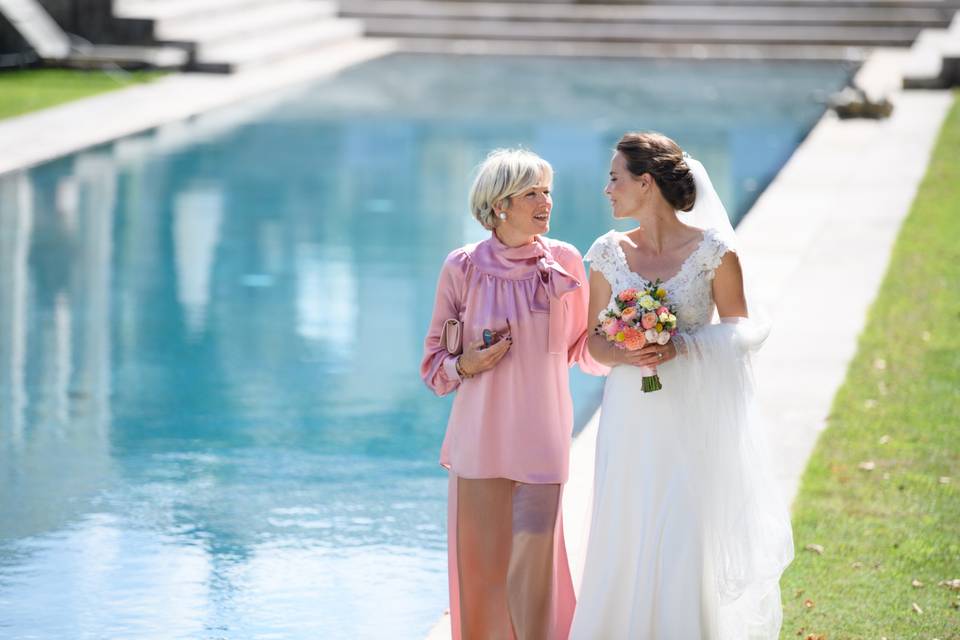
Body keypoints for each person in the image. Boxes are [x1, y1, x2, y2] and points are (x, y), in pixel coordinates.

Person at [569, 132, 794, 639]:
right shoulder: (607, 252)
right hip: (630, 414)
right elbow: (595, 344)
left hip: (691, 415)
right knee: (625, 529)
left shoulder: (714, 251)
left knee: (683, 533)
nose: (607, 189)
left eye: (615, 178)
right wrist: (628, 350)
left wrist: (683, 347)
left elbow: (742, 330)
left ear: (645, 183)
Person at [420, 149, 606, 639]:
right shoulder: (461, 267)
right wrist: (468, 364)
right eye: (532, 193)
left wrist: (632, 341)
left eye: (547, 191)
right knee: (481, 576)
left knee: (533, 567)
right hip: (479, 443)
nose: (546, 202)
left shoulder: (564, 262)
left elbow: (584, 349)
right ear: (500, 205)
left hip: (543, 441)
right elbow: (433, 366)